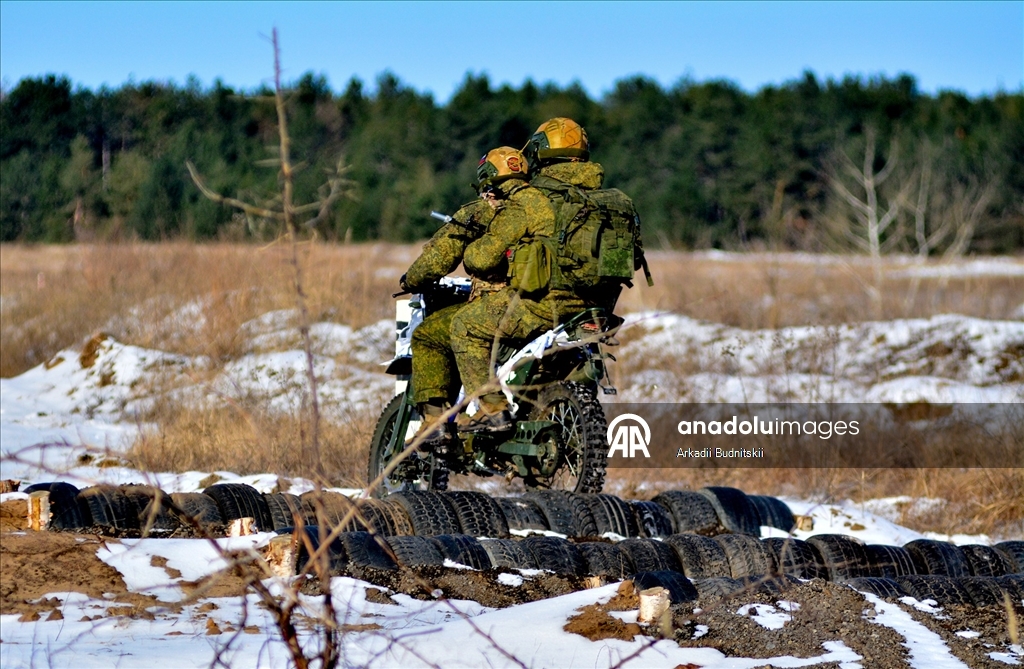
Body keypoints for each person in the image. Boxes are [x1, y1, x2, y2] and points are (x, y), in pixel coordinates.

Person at [450, 146, 598, 433]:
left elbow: (483, 258)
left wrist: (470, 252)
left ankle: (493, 411)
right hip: (592, 303)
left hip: (543, 301)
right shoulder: (602, 201)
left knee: (464, 326)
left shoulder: (527, 200)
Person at [400, 197, 503, 445]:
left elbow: (440, 255)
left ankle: (435, 422)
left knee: (427, 336)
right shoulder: (552, 202)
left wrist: (411, 280)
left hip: (499, 306)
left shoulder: (488, 208)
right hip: (557, 307)